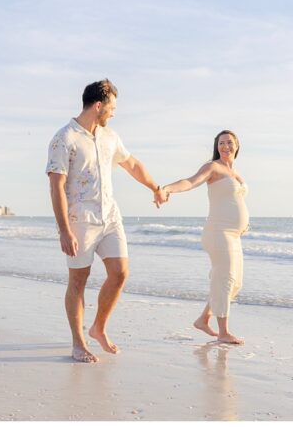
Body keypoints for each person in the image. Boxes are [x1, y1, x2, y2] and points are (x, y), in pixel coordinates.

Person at [46, 79, 168, 363]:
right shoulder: (65, 138)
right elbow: (56, 186)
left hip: (110, 216)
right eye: (112, 107)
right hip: (80, 219)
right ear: (99, 105)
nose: (113, 112)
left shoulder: (110, 136)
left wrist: (155, 187)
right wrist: (64, 230)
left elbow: (132, 164)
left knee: (120, 273)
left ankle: (98, 327)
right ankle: (78, 343)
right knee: (78, 280)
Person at [162, 130, 249, 344]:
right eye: (221, 143)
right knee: (225, 279)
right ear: (216, 146)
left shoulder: (237, 174)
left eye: (229, 142)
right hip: (218, 232)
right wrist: (167, 189)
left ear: (237, 145)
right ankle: (224, 332)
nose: (225, 146)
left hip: (234, 235)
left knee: (236, 283)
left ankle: (203, 319)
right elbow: (190, 182)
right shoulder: (213, 167)